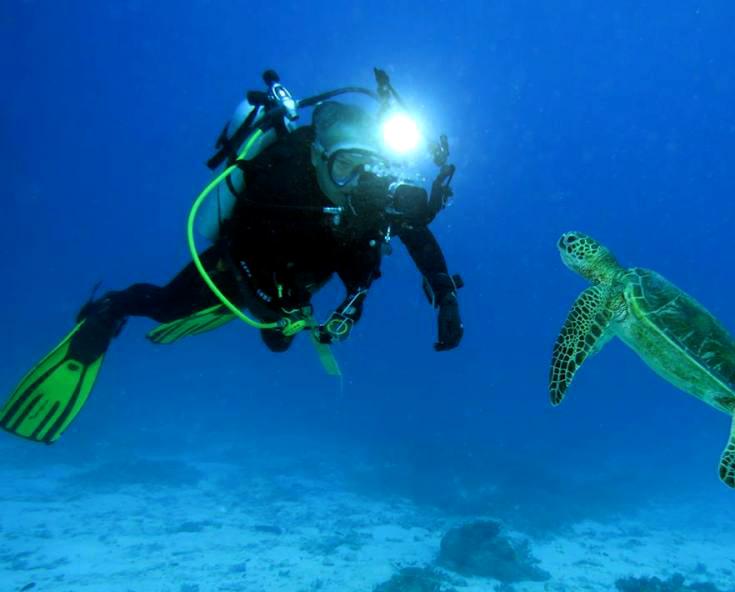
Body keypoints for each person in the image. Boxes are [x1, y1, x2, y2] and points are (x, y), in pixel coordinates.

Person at [0, 70, 464, 444]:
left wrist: (444, 293)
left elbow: (415, 231)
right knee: (167, 305)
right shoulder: (281, 181)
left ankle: (281, 312)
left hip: (309, 273)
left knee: (280, 339)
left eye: (368, 167)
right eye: (345, 166)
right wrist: (277, 305)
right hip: (241, 265)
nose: (357, 181)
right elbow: (241, 249)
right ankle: (110, 310)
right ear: (319, 157)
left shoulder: (371, 193)